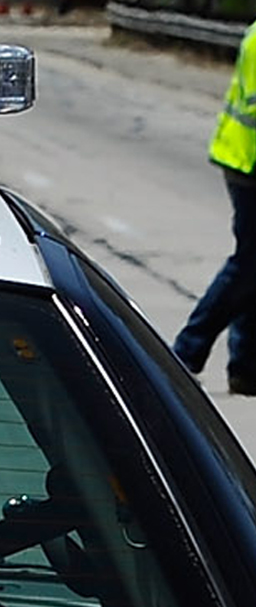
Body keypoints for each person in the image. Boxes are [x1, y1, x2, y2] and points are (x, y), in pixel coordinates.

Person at [174, 21, 256, 395]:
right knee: (248, 265)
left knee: (254, 267)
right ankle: (186, 352)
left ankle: (245, 367)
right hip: (248, 162)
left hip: (244, 159)